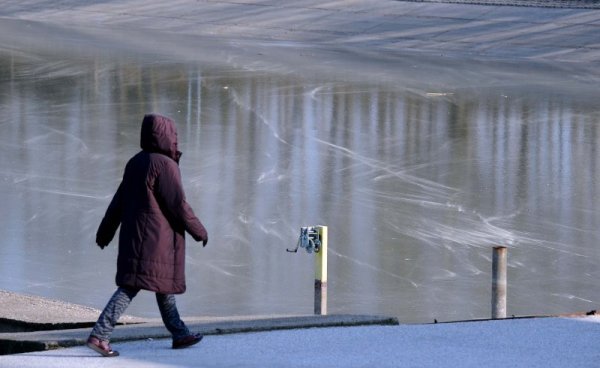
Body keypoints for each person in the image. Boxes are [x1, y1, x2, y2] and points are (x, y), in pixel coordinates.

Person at [87, 113, 209, 357]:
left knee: (162, 286)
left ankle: (179, 333)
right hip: (156, 240)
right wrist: (199, 230)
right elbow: (178, 205)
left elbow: (118, 201)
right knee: (131, 286)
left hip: (138, 237)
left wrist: (105, 232)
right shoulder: (165, 165)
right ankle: (99, 335)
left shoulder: (136, 162)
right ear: (168, 137)